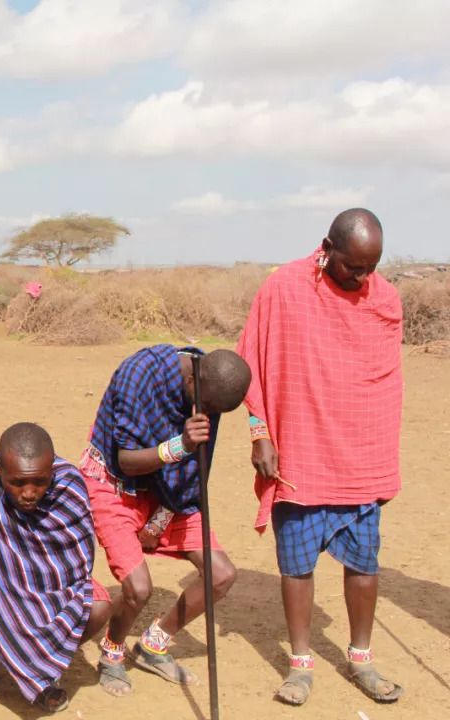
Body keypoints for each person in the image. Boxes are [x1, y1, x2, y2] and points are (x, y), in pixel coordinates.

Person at [236, 209, 404, 706]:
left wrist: (380, 460)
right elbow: (252, 363)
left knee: (365, 563)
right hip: (300, 451)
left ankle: (361, 658)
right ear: (327, 246)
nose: (363, 277)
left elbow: (383, 387)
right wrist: (260, 433)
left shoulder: (385, 300)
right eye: (354, 266)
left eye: (371, 267)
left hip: (359, 455)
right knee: (296, 566)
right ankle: (301, 664)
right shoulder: (284, 289)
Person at [79, 345, 250, 697]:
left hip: (166, 492)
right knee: (139, 588)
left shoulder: (207, 393)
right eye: (208, 409)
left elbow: (193, 471)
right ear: (192, 378)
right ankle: (112, 653)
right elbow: (126, 460)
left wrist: (159, 519)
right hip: (115, 484)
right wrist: (182, 444)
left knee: (221, 575)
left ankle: (153, 646)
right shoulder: (140, 374)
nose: (209, 415)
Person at [0, 423, 112, 714]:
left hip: (45, 593)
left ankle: (41, 671)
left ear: (52, 469)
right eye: (17, 482)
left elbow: (77, 566)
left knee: (98, 606)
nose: (29, 493)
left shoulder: (68, 489)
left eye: (40, 481)